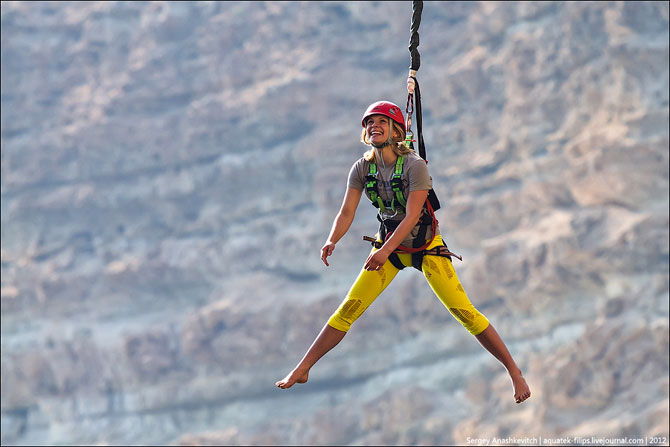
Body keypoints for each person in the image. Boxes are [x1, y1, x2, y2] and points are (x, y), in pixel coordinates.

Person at [276, 99, 531, 404]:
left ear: (396, 130)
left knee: (464, 312)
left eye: (382, 122)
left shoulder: (414, 166)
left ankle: (514, 371)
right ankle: (304, 368)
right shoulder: (362, 168)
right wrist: (332, 239)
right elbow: (346, 212)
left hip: (426, 247)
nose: (374, 127)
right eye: (370, 123)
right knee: (347, 310)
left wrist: (383, 253)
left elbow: (411, 215)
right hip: (390, 247)